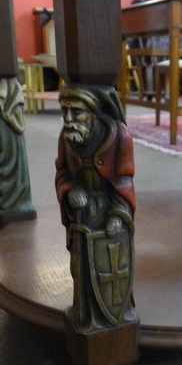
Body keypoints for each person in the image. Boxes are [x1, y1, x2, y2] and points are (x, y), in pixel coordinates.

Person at [55, 84, 136, 333]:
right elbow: (62, 173)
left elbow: (125, 180)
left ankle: (117, 310)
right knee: (81, 265)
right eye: (64, 111)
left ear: (93, 113)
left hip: (109, 208)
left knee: (113, 267)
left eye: (76, 112)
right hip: (81, 212)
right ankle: (85, 312)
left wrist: (119, 214)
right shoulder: (67, 137)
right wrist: (70, 191)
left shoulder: (119, 135)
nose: (69, 119)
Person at [0, 77, 36, 229]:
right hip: (16, 155)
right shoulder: (16, 113)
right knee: (19, 177)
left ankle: (9, 202)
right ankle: (20, 199)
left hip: (3, 155)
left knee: (5, 180)